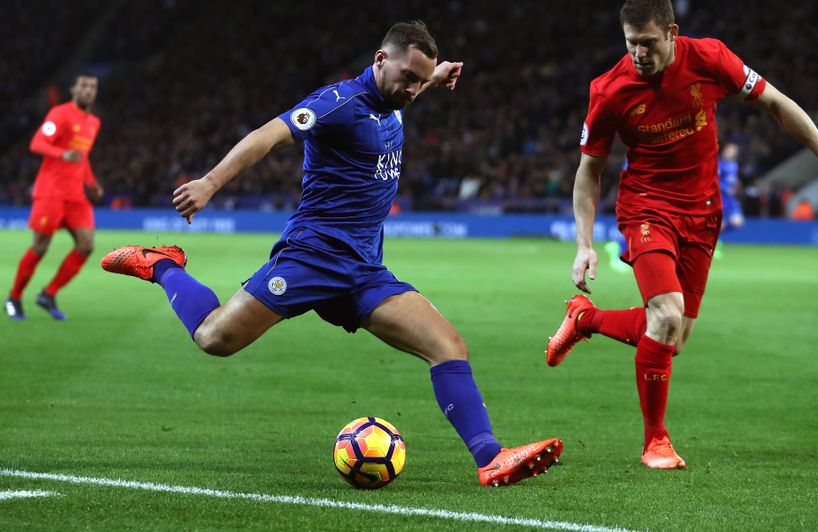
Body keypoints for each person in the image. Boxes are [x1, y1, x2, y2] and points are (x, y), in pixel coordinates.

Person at [101, 21, 562, 487]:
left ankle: (490, 457)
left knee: (447, 346)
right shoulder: (337, 104)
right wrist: (209, 184)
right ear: (380, 60)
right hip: (313, 256)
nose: (413, 90)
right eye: (408, 77)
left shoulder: (396, 97)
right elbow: (266, 135)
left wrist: (433, 75)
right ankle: (163, 265)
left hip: (364, 269)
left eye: (420, 82)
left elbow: (407, 89)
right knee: (214, 338)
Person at [546, 0, 818, 470]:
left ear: (672, 32)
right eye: (631, 44)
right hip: (647, 209)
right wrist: (584, 244)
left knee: (673, 336)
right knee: (666, 314)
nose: (639, 54)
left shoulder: (710, 59)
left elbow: (776, 103)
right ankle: (656, 441)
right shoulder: (609, 90)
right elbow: (589, 172)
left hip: (704, 212)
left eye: (648, 43)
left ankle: (585, 320)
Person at [5, 73, 104, 321]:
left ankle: (48, 294)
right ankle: (14, 297)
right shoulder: (59, 114)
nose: (88, 90)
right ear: (74, 89)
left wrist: (91, 183)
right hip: (50, 192)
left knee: (87, 245)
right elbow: (37, 143)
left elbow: (83, 156)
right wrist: (61, 154)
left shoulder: (94, 122)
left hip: (76, 196)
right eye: (84, 85)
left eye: (93, 86)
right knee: (40, 247)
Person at [715, 141, 743, 258]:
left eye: (734, 151)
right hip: (721, 197)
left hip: (731, 199)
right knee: (719, 225)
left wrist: (735, 187)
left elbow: (734, 181)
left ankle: (717, 237)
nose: (732, 153)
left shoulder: (734, 165)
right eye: (730, 150)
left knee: (738, 222)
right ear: (725, 150)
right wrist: (726, 188)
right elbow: (715, 180)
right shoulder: (719, 164)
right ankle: (715, 245)